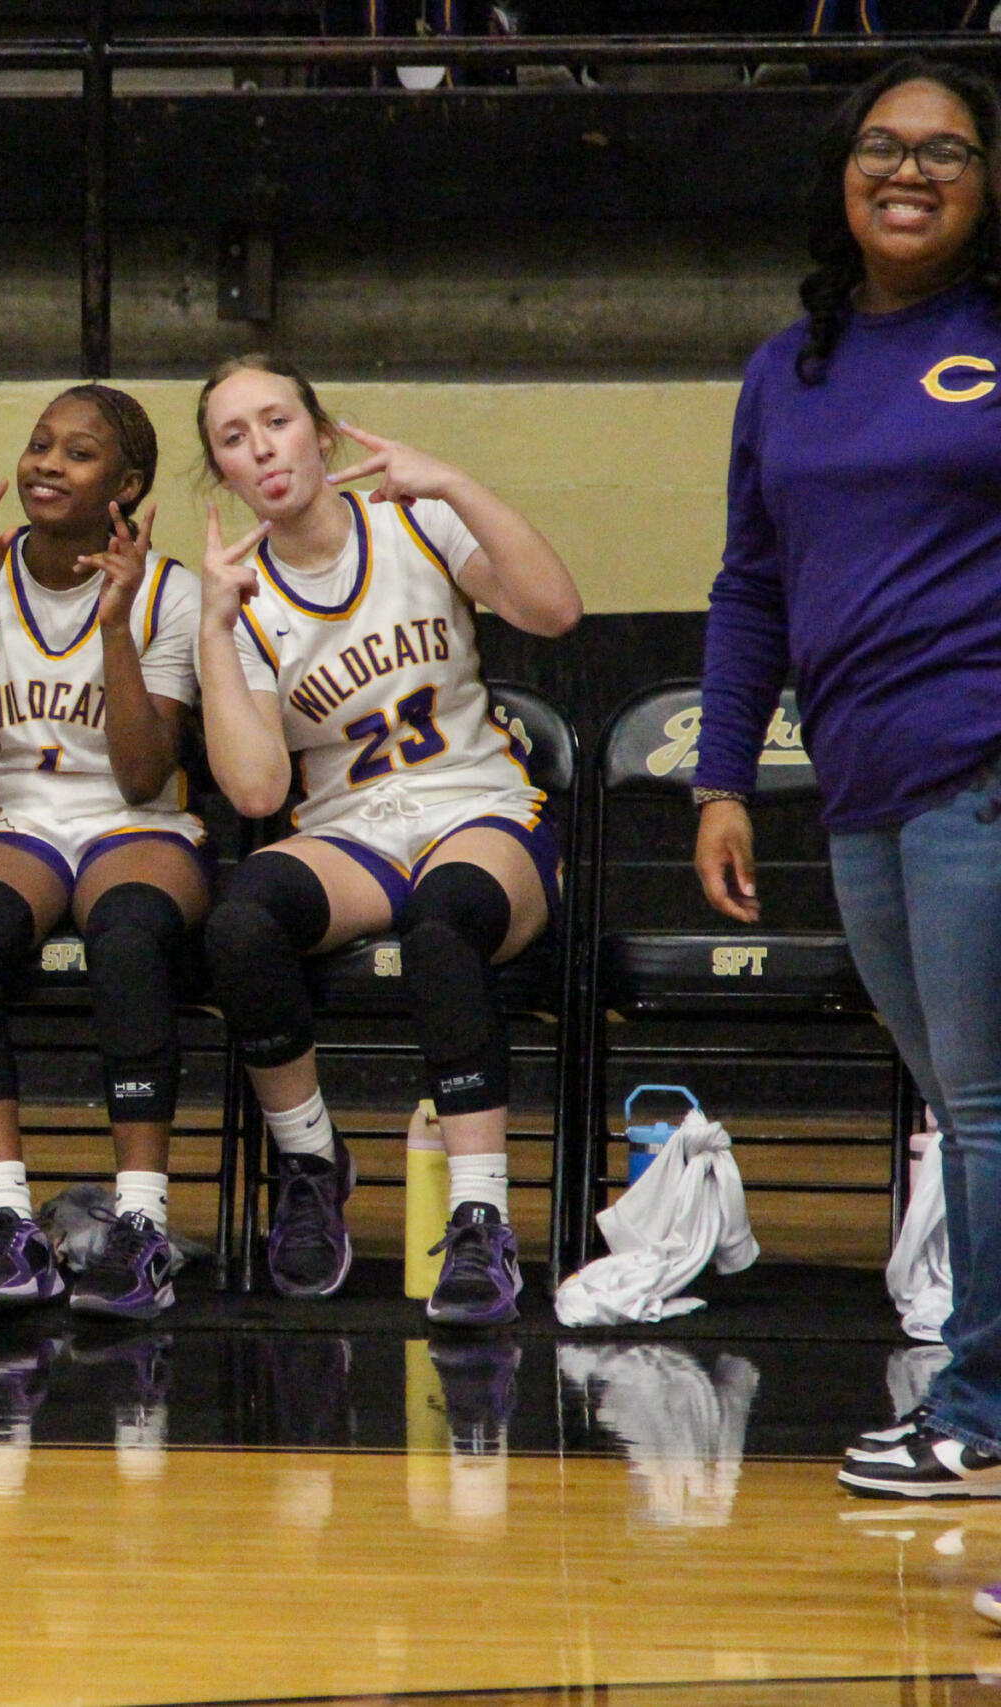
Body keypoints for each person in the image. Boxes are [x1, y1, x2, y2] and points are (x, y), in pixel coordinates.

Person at [694, 63, 1001, 1527]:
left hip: (981, 766)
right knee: (961, 1105)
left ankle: (980, 1414)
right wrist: (721, 778)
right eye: (883, 144)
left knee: (989, 1107)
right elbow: (751, 587)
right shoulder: (786, 369)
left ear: (989, 184)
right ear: (841, 174)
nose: (910, 170)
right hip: (859, 780)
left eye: (947, 150)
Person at [193, 352, 579, 1326]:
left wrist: (453, 482)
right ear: (223, 473)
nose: (260, 448)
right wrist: (211, 631)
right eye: (233, 439)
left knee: (444, 924)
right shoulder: (241, 596)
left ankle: (481, 1217)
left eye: (275, 421)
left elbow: (554, 609)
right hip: (353, 833)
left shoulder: (414, 520)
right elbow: (257, 787)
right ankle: (312, 1162)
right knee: (240, 922)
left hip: (479, 809)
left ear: (321, 435)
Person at [0, 384, 206, 1321]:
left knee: (130, 936)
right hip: (18, 820)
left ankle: (141, 1226)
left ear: (127, 484)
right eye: (40, 444)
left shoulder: (169, 591)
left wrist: (114, 622)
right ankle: (4, 1220)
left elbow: (145, 775)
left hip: (135, 825)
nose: (46, 464)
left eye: (78, 452)